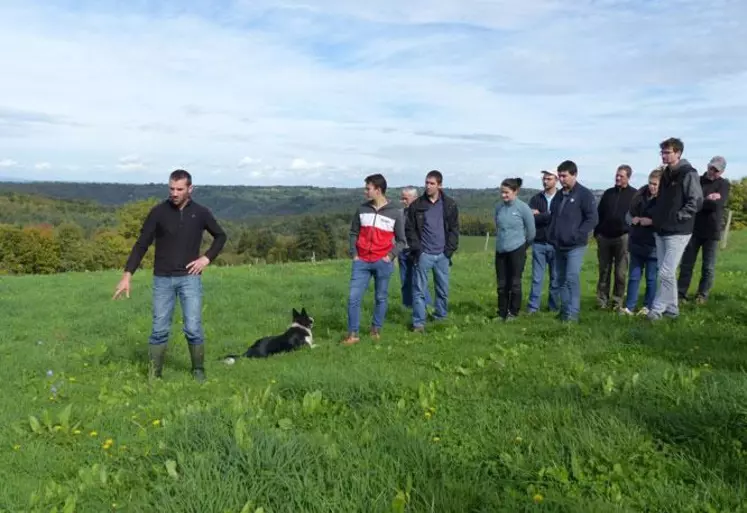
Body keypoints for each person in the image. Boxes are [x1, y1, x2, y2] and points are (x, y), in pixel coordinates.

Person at [112, 169, 227, 382]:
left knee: (193, 327)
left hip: (190, 278)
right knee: (159, 329)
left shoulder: (201, 213)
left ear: (190, 189)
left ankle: (198, 371)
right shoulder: (158, 212)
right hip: (162, 279)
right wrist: (127, 275)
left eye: (179, 189)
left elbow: (220, 236)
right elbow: (141, 244)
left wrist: (206, 259)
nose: (174, 193)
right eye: (171, 188)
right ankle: (155, 375)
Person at [342, 174, 406, 345]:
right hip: (361, 261)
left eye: (368, 188)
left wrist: (389, 256)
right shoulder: (362, 209)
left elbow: (401, 241)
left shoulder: (396, 212)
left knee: (381, 298)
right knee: (353, 297)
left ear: (378, 190)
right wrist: (354, 254)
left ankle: (375, 330)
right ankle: (353, 335)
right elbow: (353, 233)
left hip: (382, 262)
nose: (365, 192)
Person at [648, 137, 703, 321]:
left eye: (667, 152)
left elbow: (696, 200)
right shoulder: (665, 174)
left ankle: (656, 309)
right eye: (662, 152)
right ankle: (672, 310)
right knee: (665, 272)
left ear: (678, 153)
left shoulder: (688, 173)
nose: (663, 155)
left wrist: (679, 217)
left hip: (679, 231)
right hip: (662, 229)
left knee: (666, 272)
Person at [405, 170, 459, 332]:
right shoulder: (417, 205)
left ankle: (440, 317)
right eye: (426, 183)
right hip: (424, 254)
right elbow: (410, 230)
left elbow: (454, 229)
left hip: (442, 254)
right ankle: (418, 323)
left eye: (432, 183)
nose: (428, 186)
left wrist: (448, 251)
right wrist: (418, 250)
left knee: (442, 290)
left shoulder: (449, 204)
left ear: (440, 185)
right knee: (419, 291)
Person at [547, 160, 598, 322]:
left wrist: (578, 234)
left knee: (571, 277)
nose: (561, 179)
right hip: (558, 244)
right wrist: (552, 235)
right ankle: (564, 311)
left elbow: (592, 219)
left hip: (575, 245)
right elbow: (553, 216)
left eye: (564, 176)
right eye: (560, 176)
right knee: (560, 278)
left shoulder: (584, 194)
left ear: (574, 175)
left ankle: (573, 314)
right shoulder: (559, 195)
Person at [677, 156, 730, 304]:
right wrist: (708, 199)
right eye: (711, 168)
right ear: (707, 165)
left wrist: (702, 200)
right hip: (693, 228)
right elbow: (692, 201)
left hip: (712, 231)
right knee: (687, 264)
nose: (712, 171)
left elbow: (718, 205)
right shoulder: (698, 181)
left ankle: (702, 295)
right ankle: (680, 294)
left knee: (708, 267)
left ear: (722, 171)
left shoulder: (724, 184)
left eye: (716, 170)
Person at [594, 164, 637, 310]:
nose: (618, 178)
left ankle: (617, 301)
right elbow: (599, 214)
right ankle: (601, 301)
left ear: (628, 178)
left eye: (621, 176)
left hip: (623, 237)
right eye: (617, 175)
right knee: (604, 270)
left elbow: (636, 215)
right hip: (604, 236)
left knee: (620, 272)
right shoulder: (608, 193)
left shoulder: (634, 195)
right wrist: (597, 232)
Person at [620, 167, 662, 316]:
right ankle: (629, 307)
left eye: (655, 184)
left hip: (654, 245)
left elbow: (667, 219)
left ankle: (648, 306)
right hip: (637, 241)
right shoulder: (639, 196)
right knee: (634, 276)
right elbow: (628, 215)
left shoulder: (665, 200)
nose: (652, 187)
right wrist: (633, 220)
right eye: (650, 183)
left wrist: (652, 221)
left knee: (651, 278)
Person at [494, 177, 536, 321]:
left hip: (517, 250)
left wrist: (523, 247)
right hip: (500, 251)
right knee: (501, 283)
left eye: (506, 192)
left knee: (515, 282)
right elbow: (498, 226)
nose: (503, 195)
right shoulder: (499, 208)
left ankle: (513, 312)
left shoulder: (523, 208)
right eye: (501, 192)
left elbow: (531, 232)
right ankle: (501, 312)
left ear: (515, 191)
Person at [527, 170, 560, 313]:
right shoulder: (536, 198)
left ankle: (553, 307)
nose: (545, 181)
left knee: (555, 278)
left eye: (549, 178)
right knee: (536, 278)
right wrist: (549, 216)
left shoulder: (562, 198)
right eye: (544, 178)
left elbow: (561, 219)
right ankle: (533, 307)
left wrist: (541, 215)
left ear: (556, 180)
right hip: (539, 242)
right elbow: (531, 219)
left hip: (556, 243)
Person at [398, 186, 431, 309]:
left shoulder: (423, 212)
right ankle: (407, 307)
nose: (403, 201)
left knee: (419, 282)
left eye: (405, 198)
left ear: (415, 198)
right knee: (405, 282)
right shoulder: (401, 213)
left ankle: (426, 307)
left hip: (417, 251)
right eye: (402, 198)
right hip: (403, 251)